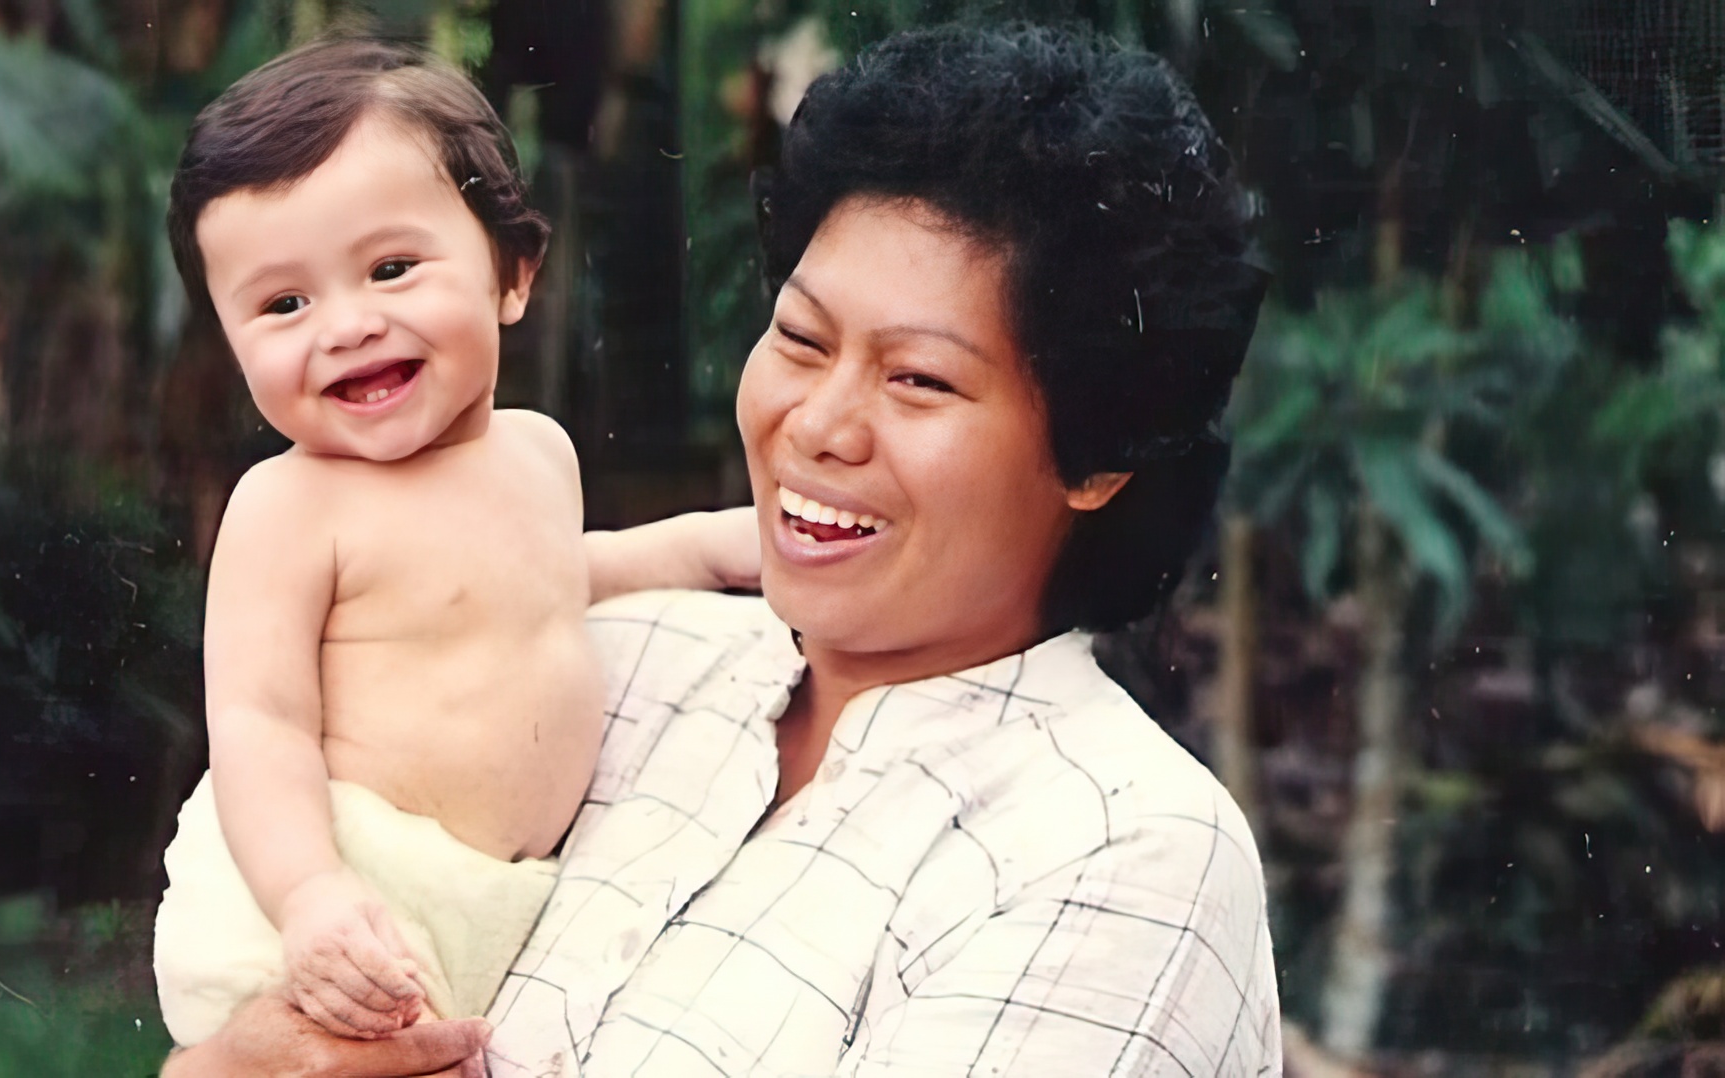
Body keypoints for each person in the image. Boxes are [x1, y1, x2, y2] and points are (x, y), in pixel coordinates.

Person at [165, 20, 1280, 1077]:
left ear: (1097, 453)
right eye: (799, 338)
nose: (818, 424)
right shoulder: (637, 661)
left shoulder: (1117, 851)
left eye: (919, 379)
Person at [152, 38, 758, 1048]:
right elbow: (259, 723)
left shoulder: (538, 452)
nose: (345, 325)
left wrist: (705, 548)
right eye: (282, 303)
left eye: (391, 268)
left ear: (512, 274)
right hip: (340, 897)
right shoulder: (291, 505)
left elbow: (553, 584)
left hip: (483, 908)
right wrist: (311, 895)